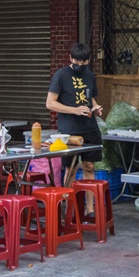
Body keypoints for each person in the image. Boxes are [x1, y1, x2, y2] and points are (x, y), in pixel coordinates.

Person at [46, 42, 104, 177]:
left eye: (83, 61)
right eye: (77, 60)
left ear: (89, 60)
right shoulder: (61, 75)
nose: (80, 64)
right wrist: (75, 110)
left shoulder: (90, 75)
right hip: (70, 130)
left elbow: (91, 97)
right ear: (71, 58)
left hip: (90, 128)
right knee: (70, 168)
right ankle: (68, 198)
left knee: (89, 166)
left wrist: (95, 107)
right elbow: (50, 103)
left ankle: (90, 199)